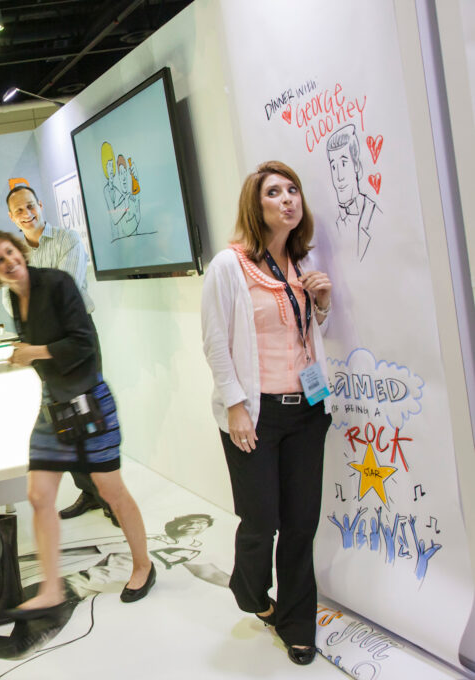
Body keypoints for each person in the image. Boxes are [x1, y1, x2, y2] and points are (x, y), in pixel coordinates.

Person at [0, 230, 155, 617]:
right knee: (38, 496)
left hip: (89, 402)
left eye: (10, 252)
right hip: (52, 407)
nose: (9, 262)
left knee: (111, 491)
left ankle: (143, 565)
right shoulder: (12, 300)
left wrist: (33, 352)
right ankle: (52, 589)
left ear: (19, 250)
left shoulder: (57, 283)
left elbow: (83, 342)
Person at [201, 160, 333, 666]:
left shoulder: (302, 263)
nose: (288, 199)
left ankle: (297, 623)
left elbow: (303, 335)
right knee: (261, 522)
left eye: (293, 190)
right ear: (255, 207)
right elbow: (215, 342)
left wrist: (320, 304)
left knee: (301, 523)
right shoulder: (229, 265)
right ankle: (251, 594)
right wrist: (236, 407)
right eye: (274, 192)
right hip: (256, 413)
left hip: (308, 411)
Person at [5, 185, 112, 526]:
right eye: (19, 210)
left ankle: (110, 496)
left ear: (41, 206)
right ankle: (90, 492)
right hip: (41, 348)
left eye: (31, 206)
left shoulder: (67, 240)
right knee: (65, 420)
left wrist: (29, 300)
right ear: (12, 217)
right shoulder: (15, 253)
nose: (27, 213)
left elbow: (67, 288)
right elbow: (12, 303)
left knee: (90, 416)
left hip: (74, 341)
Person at [326, 124, 380, 261]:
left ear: (357, 166)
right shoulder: (333, 228)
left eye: (344, 164)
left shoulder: (374, 215)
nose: (339, 176)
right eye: (333, 167)